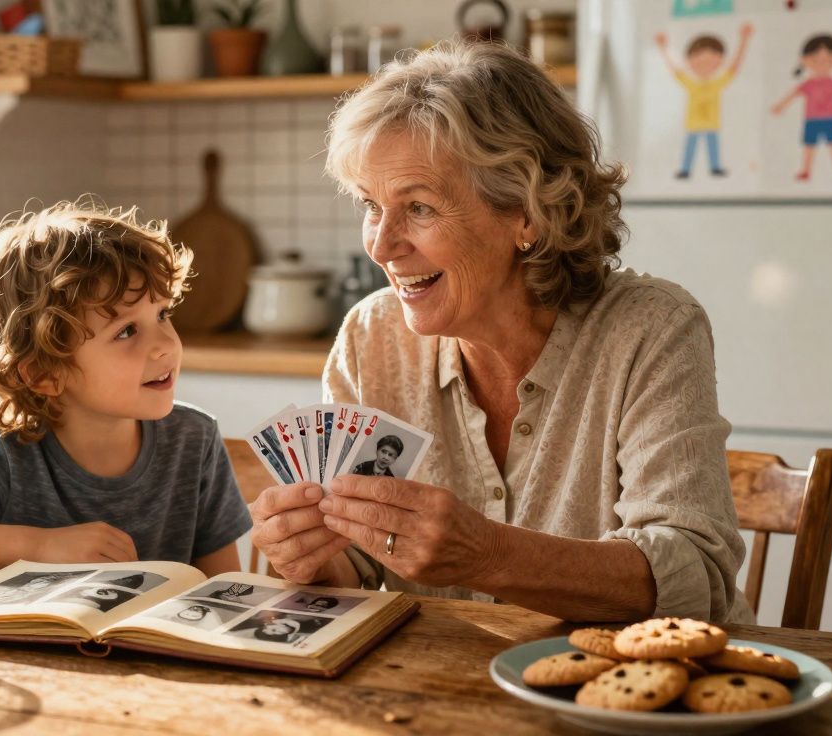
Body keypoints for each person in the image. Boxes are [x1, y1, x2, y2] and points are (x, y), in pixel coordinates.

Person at [248, 40, 753, 624]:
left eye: (418, 208)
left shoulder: (651, 329)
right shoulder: (372, 335)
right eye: (370, 205)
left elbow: (695, 575)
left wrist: (487, 554)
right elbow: (364, 571)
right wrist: (312, 557)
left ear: (527, 214)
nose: (381, 246)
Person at [0, 200, 252, 576]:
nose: (166, 344)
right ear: (43, 374)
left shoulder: (194, 439)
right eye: (127, 331)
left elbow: (225, 590)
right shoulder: (2, 453)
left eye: (162, 314)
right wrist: (39, 545)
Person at [654, 24, 754, 179]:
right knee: (690, 147)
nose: (705, 64)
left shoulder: (717, 83)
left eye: (711, 60)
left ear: (720, 61)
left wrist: (744, 39)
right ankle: (686, 169)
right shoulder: (691, 83)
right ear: (689, 61)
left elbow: (734, 66)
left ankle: (714, 167)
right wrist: (663, 48)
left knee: (712, 146)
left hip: (711, 124)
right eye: (700, 60)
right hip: (693, 124)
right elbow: (674, 69)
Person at [771, 34, 832, 180]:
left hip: (829, 118)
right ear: (804, 61)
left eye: (829, 60)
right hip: (811, 120)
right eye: (816, 60)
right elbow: (792, 95)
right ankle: (806, 170)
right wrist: (780, 106)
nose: (822, 64)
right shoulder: (807, 84)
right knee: (809, 146)